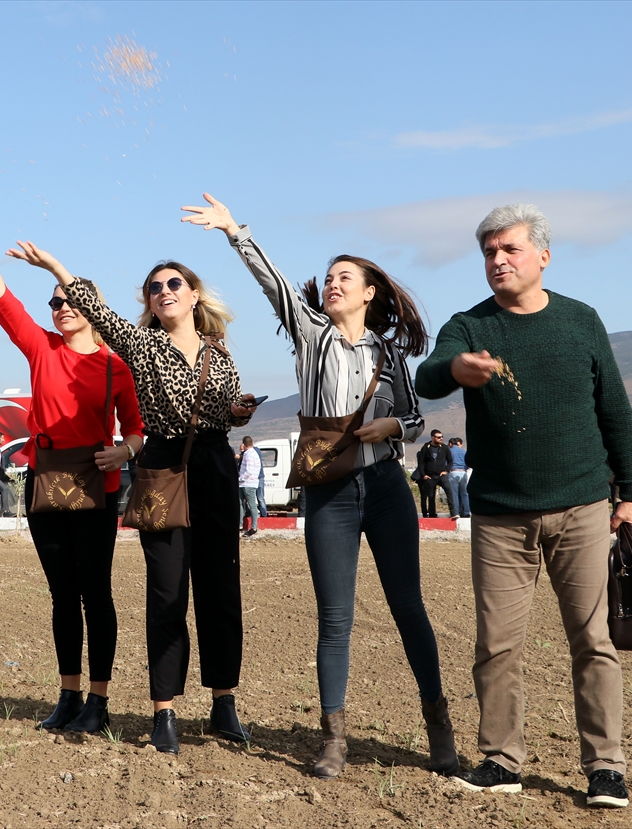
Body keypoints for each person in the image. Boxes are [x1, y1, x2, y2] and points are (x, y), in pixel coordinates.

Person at [183, 193, 456, 780]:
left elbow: (414, 418)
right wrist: (235, 231)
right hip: (329, 492)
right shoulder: (312, 335)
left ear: (369, 292)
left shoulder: (389, 352)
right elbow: (275, 284)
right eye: (329, 278)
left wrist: (393, 427)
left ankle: (438, 719)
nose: (332, 284)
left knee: (408, 606)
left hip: (385, 485)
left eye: (344, 278)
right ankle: (334, 739)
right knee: (334, 618)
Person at [415, 203, 632, 808]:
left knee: (592, 639)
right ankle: (501, 760)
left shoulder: (580, 321)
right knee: (497, 643)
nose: (498, 261)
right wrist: (457, 369)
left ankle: (605, 767)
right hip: (499, 515)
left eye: (509, 249)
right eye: (489, 252)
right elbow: (429, 373)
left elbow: (616, 413)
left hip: (583, 506)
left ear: (543, 255)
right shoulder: (470, 327)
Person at [7, 239, 258, 756]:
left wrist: (238, 412)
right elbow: (95, 308)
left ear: (193, 296)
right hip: (162, 468)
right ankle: (163, 709)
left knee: (219, 589)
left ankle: (223, 703)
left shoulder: (219, 349)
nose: (163, 291)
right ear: (148, 302)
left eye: (173, 284)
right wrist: (55, 264)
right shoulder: (141, 348)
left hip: (213, 466)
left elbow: (221, 409)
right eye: (154, 287)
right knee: (166, 593)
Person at [0, 198, 146, 734]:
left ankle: (99, 702)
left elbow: (138, 432)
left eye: (70, 300)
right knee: (61, 594)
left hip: (97, 485)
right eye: (54, 302)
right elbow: (2, 297)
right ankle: (69, 695)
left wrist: (124, 451)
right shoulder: (41, 349)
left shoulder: (116, 366)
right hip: (46, 482)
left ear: (93, 308)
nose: (60, 307)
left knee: (95, 591)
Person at [415, 431, 450, 517]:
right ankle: (426, 513)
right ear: (433, 437)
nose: (441, 438)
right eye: (438, 437)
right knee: (427, 496)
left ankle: (429, 513)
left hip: (428, 476)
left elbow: (449, 461)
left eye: (442, 437)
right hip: (424, 477)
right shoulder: (425, 450)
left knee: (428, 496)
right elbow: (421, 464)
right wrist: (424, 475)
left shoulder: (443, 448)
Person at [238, 437, 262, 536]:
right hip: (245, 483)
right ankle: (240, 525)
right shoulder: (251, 453)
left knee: (251, 505)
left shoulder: (249, 455)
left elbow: (249, 471)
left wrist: (240, 478)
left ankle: (253, 527)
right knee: (240, 503)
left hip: (248, 483)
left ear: (243, 444)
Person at [447, 437, 471, 518]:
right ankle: (467, 511)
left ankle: (456, 512)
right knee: (464, 494)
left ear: (450, 444)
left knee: (454, 494)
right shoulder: (463, 451)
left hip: (453, 472)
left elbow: (446, 463)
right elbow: (468, 463)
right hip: (463, 472)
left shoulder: (449, 451)